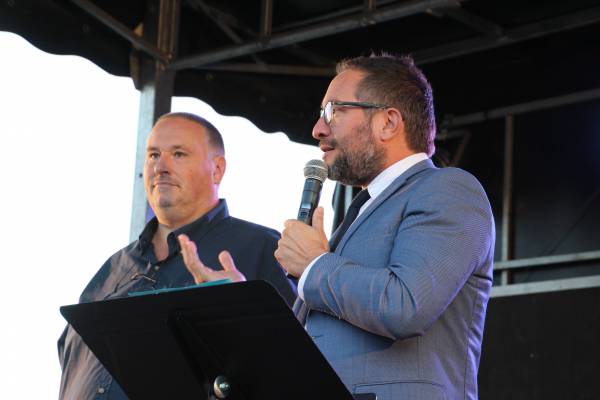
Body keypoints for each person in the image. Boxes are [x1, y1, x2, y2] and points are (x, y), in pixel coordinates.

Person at [275, 53, 495, 400]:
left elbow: (405, 305)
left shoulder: (448, 190)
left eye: (334, 111)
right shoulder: (365, 209)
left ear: (389, 123)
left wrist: (314, 265)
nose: (318, 129)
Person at [58, 112, 296, 399]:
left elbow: (294, 367)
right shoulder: (113, 268)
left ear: (217, 169)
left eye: (179, 154)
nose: (161, 166)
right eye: (153, 155)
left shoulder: (263, 249)